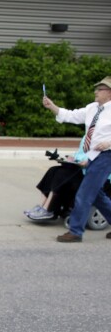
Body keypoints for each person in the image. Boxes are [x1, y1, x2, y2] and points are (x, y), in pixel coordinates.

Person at [43, 76, 111, 242]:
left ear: (109, 93)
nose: (96, 91)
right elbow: (70, 115)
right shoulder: (92, 108)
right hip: (92, 155)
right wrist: (52, 107)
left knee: (85, 193)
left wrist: (109, 142)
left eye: (100, 89)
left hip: (106, 155)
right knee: (96, 195)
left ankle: (75, 231)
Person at [24, 138, 88, 221]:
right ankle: (41, 206)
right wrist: (73, 158)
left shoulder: (102, 137)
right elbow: (80, 153)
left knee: (60, 175)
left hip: (86, 173)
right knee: (53, 170)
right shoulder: (87, 136)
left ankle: (48, 209)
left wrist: (87, 162)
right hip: (77, 167)